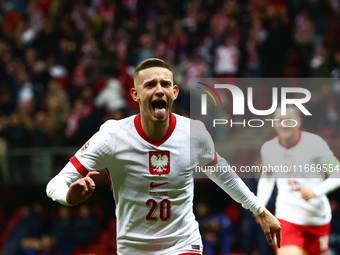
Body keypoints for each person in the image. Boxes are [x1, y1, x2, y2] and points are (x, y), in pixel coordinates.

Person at [46, 58, 281, 255]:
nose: (159, 89)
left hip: (182, 244)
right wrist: (68, 197)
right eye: (150, 85)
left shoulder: (194, 133)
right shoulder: (112, 136)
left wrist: (260, 210)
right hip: (134, 249)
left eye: (165, 84)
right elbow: (55, 183)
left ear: (174, 92)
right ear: (135, 94)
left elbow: (225, 176)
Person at [256, 105, 340, 255]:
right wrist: (259, 204)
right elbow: (267, 178)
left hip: (317, 218)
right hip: (287, 218)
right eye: (279, 120)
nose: (283, 124)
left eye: (288, 120)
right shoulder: (268, 149)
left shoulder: (315, 144)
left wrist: (316, 191)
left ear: (298, 121)